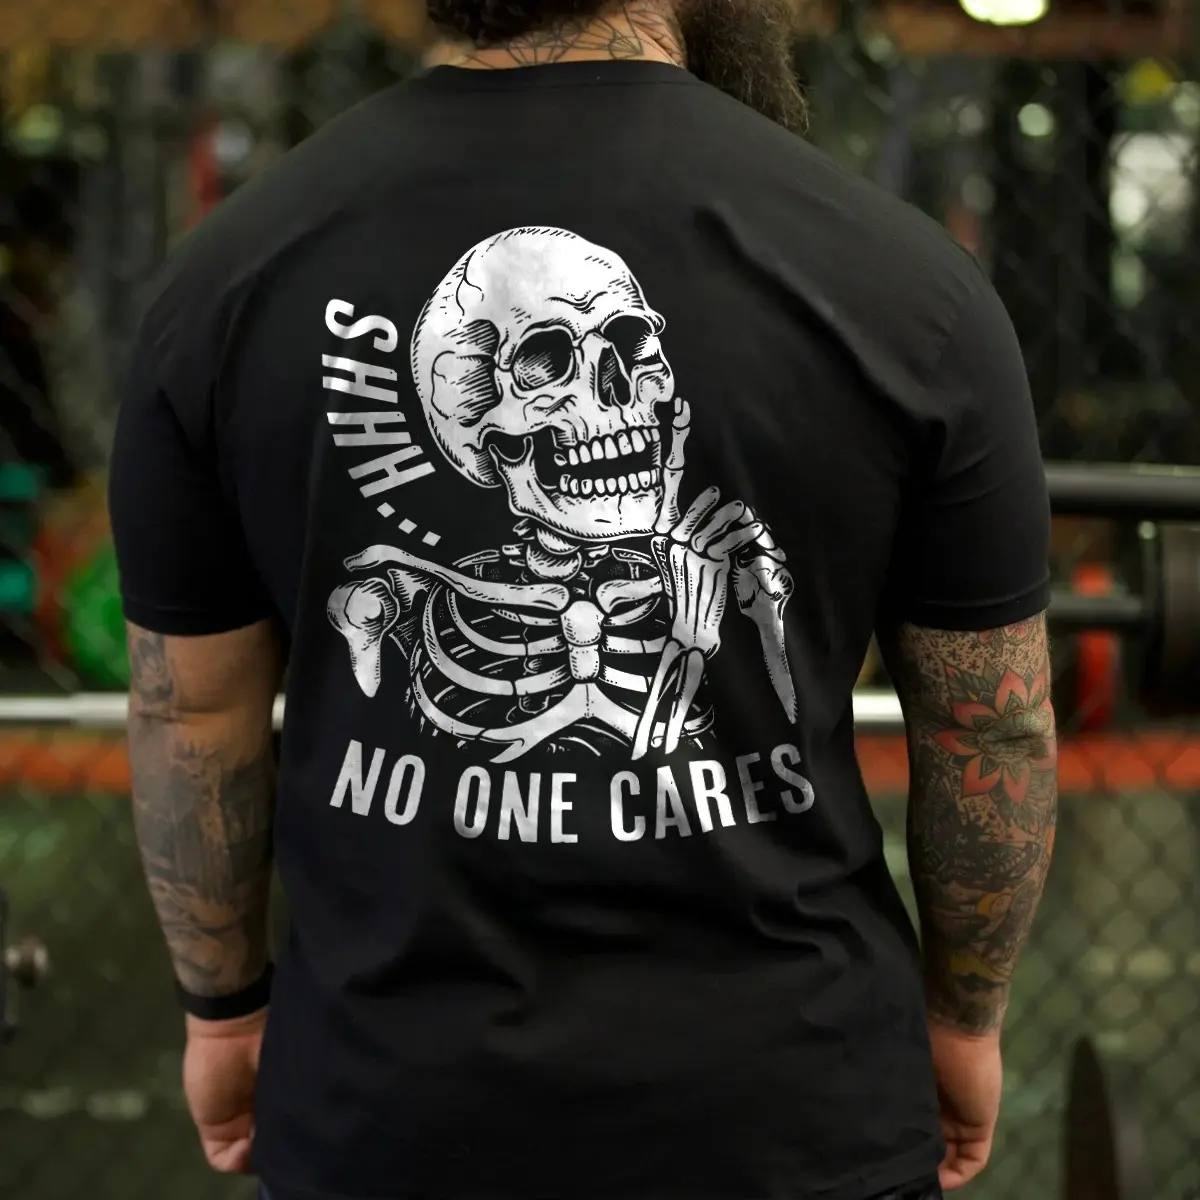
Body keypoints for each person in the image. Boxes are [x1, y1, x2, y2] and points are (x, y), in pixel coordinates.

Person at [108, 4, 1058, 1200]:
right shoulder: (907, 284)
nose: (605, 401)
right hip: (791, 1116)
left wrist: (223, 1010)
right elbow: (992, 726)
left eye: (627, 354)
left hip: (386, 1116)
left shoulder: (228, 280)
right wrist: (966, 1018)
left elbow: (190, 715)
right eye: (543, 365)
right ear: (474, 425)